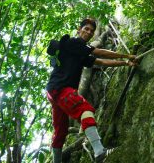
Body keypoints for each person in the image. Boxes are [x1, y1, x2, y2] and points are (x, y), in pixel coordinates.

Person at [46, 18, 137, 163]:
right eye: (86, 29)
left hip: (55, 92)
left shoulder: (80, 53)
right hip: (60, 89)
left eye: (91, 31)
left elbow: (100, 62)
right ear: (79, 29)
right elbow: (100, 52)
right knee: (85, 110)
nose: (89, 32)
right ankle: (99, 151)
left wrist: (125, 63)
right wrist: (126, 55)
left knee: (61, 130)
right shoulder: (74, 43)